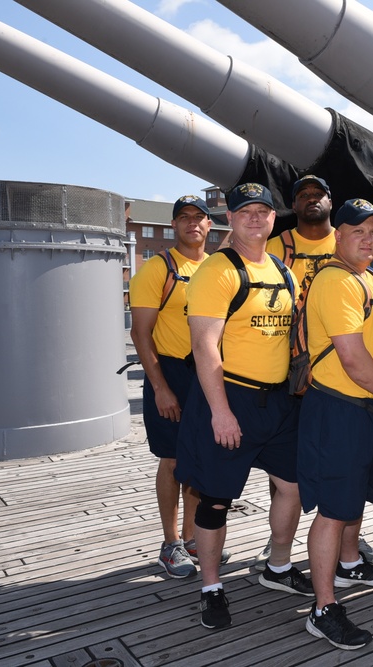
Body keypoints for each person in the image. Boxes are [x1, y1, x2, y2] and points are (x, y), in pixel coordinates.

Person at [175, 182, 314, 631]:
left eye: (263, 211)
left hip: (277, 402)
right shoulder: (217, 270)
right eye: (245, 212)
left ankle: (277, 566)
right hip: (229, 396)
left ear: (275, 218)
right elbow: (204, 347)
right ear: (230, 219)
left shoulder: (282, 270)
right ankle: (211, 587)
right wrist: (220, 411)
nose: (255, 218)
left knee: (292, 486)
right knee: (216, 499)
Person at [256, 175, 373, 571]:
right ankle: (280, 550)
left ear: (332, 201)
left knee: (340, 473)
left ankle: (345, 543)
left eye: (319, 193)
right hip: (287, 373)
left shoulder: (351, 245)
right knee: (287, 474)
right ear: (293, 205)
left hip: (334, 378)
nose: (311, 199)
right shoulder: (278, 246)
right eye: (303, 194)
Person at [298, 198, 373, 650]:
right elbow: (351, 354)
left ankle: (348, 565)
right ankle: (323, 609)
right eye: (356, 230)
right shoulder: (336, 281)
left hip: (371, 409)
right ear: (337, 235)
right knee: (334, 508)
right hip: (340, 409)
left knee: (355, 496)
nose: (368, 238)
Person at [129, 194, 212, 579]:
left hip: (207, 375)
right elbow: (140, 334)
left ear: (209, 226)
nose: (192, 223)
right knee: (173, 460)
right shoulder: (157, 269)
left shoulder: (215, 269)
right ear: (174, 225)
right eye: (184, 218)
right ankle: (171, 542)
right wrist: (160, 387)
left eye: (200, 217)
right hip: (171, 373)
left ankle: (194, 537)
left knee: (198, 458)